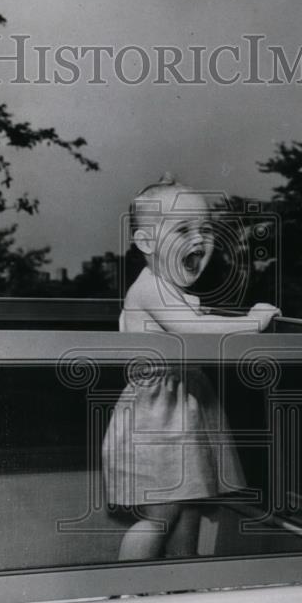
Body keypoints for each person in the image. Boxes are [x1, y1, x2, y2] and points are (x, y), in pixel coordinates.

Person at [102, 173, 280, 561]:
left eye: (205, 229)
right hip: (155, 418)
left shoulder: (174, 291)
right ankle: (127, 595)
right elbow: (197, 331)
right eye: (182, 228)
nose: (199, 239)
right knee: (160, 514)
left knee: (189, 506)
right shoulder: (149, 288)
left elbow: (197, 323)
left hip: (181, 410)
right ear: (146, 242)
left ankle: (183, 584)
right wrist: (254, 320)